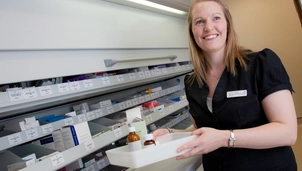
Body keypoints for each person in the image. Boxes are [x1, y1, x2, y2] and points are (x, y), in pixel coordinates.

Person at [153, 0, 298, 170]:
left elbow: (287, 132)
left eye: (216, 18)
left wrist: (224, 138)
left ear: (227, 24)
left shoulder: (261, 64)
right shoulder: (192, 82)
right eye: (199, 21)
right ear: (192, 31)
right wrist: (172, 135)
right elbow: (207, 131)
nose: (208, 27)